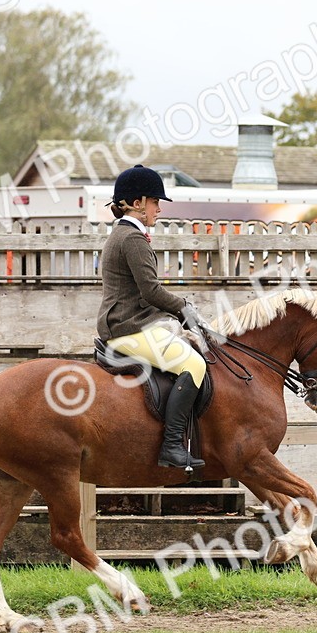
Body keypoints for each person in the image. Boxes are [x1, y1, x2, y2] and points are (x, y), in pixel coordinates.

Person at [97, 165, 208, 470]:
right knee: (194, 363)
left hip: (128, 322)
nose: (159, 209)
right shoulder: (132, 239)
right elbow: (151, 291)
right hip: (128, 327)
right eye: (155, 202)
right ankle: (172, 446)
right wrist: (184, 307)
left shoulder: (125, 234)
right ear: (137, 203)